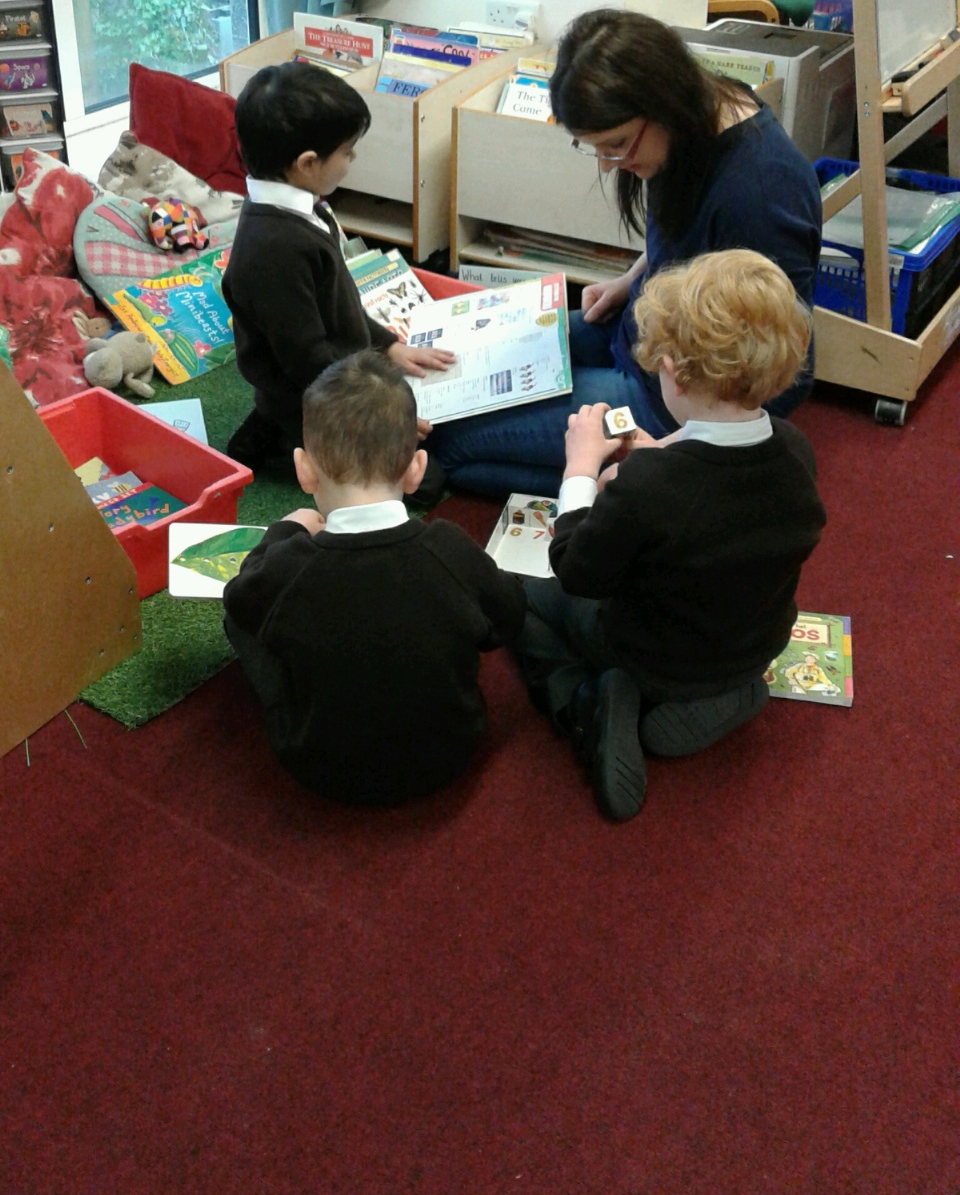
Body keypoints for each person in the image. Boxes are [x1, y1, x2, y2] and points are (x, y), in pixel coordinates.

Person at [431, 8, 823, 496]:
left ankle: (635, 487)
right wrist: (631, 279)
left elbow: (789, 364)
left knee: (451, 444)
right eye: (594, 147)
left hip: (674, 395)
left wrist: (683, 453)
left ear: (662, 105)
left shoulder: (762, 191)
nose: (607, 164)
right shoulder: (699, 117)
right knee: (463, 376)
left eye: (615, 144)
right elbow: (683, 229)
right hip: (644, 336)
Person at [517, 249, 827, 823]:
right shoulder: (796, 451)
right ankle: (727, 693)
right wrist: (660, 453)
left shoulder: (649, 487)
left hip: (649, 654)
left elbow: (577, 569)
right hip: (750, 646)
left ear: (675, 372)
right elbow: (716, 492)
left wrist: (579, 470)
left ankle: (586, 704)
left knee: (525, 601)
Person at [223, 351, 526, 805]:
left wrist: (284, 531)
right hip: (449, 754)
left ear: (304, 469)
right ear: (416, 470)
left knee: (238, 617)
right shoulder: (448, 548)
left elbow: (240, 600)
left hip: (318, 767)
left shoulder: (289, 567)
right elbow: (510, 615)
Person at [222, 59, 454, 472]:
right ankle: (269, 444)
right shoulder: (274, 250)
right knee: (433, 470)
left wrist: (389, 346)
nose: (353, 158)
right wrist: (378, 412)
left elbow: (339, 308)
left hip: (345, 374)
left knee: (442, 442)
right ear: (307, 164)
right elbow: (307, 362)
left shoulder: (300, 206)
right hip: (316, 407)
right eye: (347, 151)